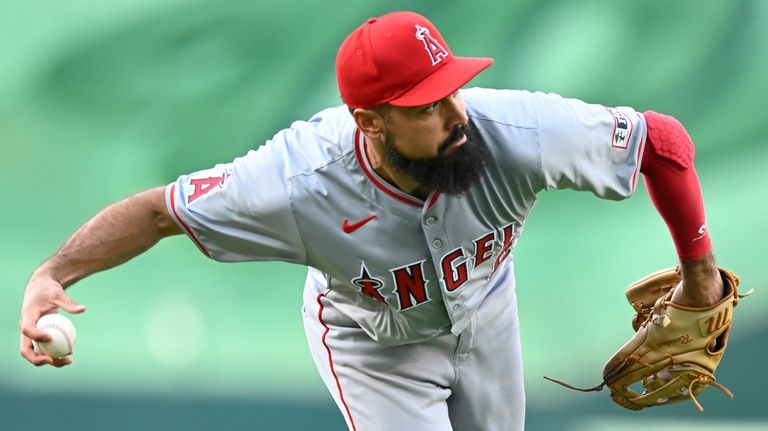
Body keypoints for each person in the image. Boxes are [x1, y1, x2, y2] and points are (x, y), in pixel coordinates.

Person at [20, 11, 726, 431]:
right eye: (425, 105)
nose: (454, 116)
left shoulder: (514, 129)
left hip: (487, 310)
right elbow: (157, 210)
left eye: (451, 88)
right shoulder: (294, 182)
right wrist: (55, 272)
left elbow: (662, 142)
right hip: (372, 342)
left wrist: (698, 275)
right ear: (370, 121)